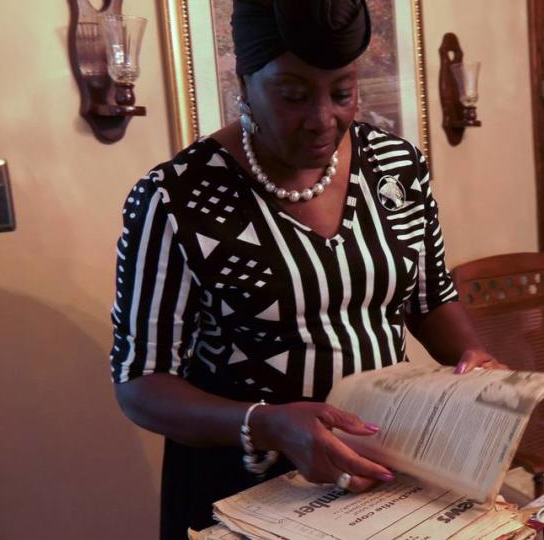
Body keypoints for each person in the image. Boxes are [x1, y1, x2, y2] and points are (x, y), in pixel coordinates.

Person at [108, 1, 504, 537]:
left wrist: (472, 364)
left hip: (383, 476)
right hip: (246, 492)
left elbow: (430, 298)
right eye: (293, 95)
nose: (323, 120)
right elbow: (140, 381)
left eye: (342, 92)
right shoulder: (176, 197)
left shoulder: (397, 168)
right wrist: (264, 424)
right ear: (244, 84)